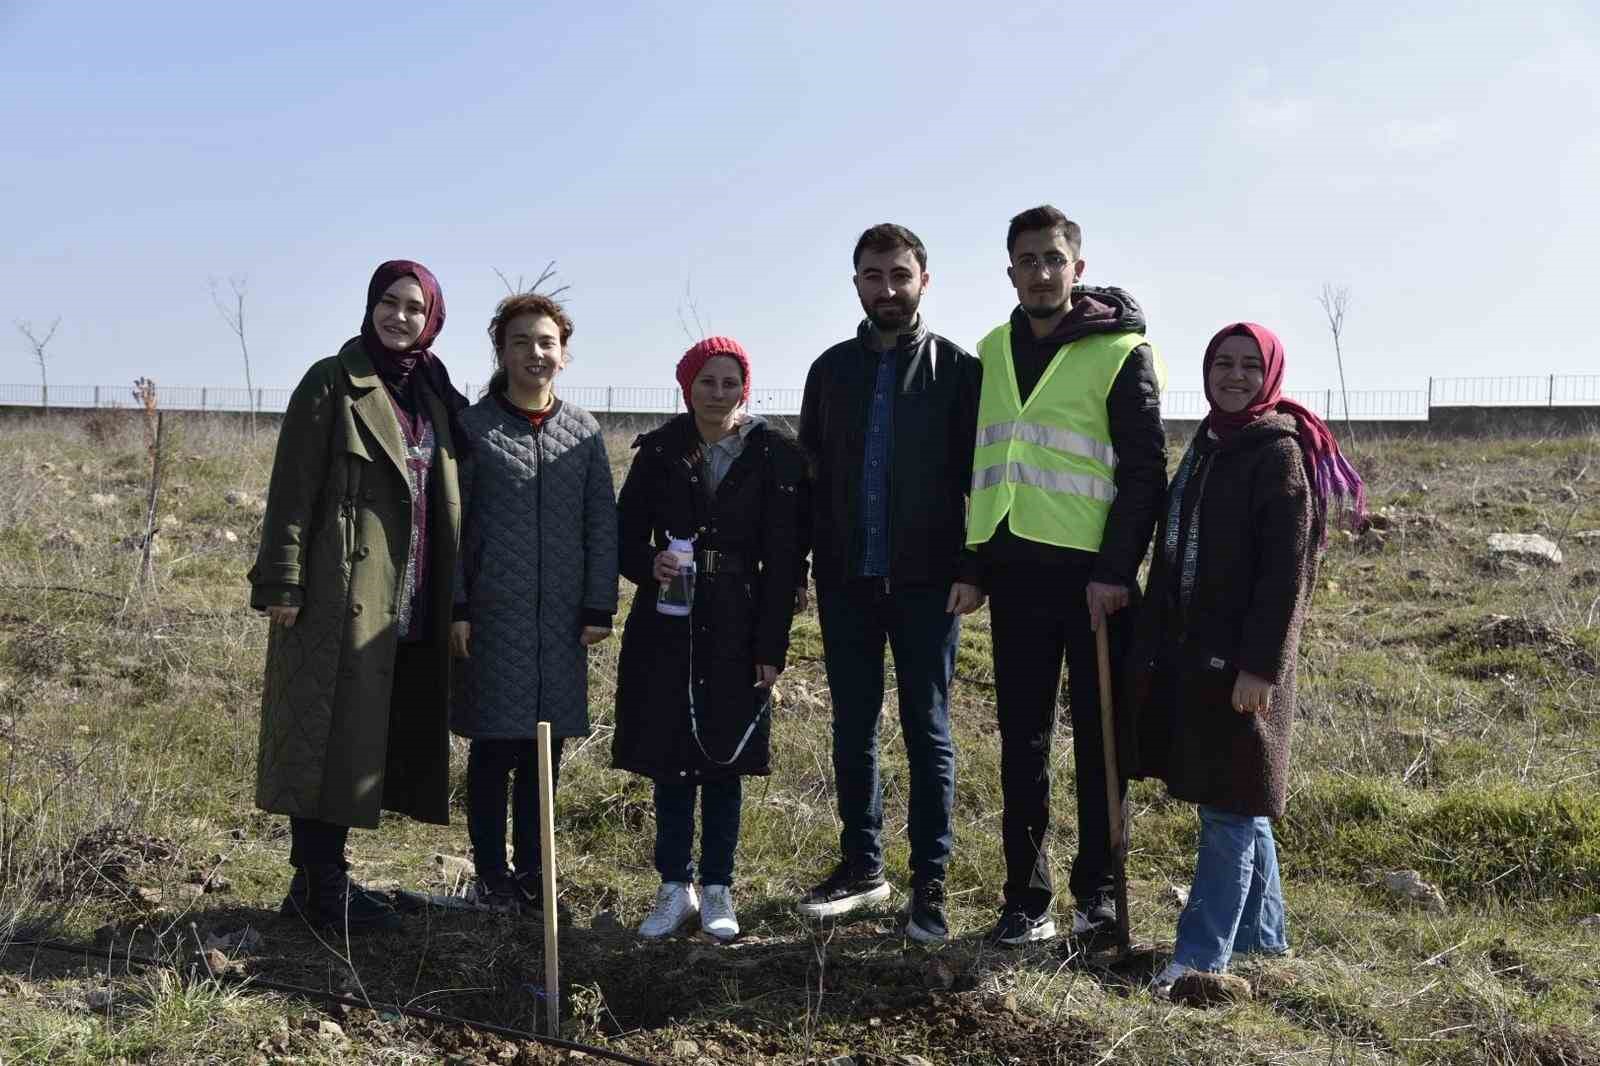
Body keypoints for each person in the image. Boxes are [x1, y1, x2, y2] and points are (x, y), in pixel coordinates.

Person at [1131, 323, 1361, 993]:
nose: (1233, 375)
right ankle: (1265, 941)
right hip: (1197, 656)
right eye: (1223, 363)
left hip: (1244, 664)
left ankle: (1202, 959)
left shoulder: (1276, 454)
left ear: (1271, 376)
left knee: (1230, 803)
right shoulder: (1208, 443)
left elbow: (1288, 575)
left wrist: (1261, 666)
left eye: (1248, 366)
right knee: (1239, 798)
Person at [966, 206, 1168, 946]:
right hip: (1015, 571)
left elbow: (1147, 472)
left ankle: (1100, 894)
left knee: (1097, 742)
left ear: (1077, 270)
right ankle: (1027, 897)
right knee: (1021, 741)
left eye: (1054, 259)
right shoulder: (991, 350)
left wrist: (1116, 571)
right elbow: (980, 465)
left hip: (1093, 583)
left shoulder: (1121, 351)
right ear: (1010, 270)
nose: (1041, 272)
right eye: (1027, 260)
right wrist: (974, 565)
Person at [250, 259, 465, 932]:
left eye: (414, 308)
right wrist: (282, 580)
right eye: (390, 302)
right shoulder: (332, 383)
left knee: (359, 737)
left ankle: (319, 882)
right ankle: (323, 886)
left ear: (432, 319)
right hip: (341, 587)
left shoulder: (435, 392)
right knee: (324, 728)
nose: (400, 317)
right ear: (371, 306)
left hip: (413, 592)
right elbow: (293, 488)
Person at [794, 223, 983, 944]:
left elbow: (980, 481)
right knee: (853, 728)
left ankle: (928, 884)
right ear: (857, 285)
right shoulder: (829, 371)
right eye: (874, 276)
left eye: (900, 276)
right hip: (847, 581)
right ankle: (861, 868)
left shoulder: (958, 372)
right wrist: (805, 571)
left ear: (923, 282)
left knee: (927, 730)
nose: (888, 290)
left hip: (928, 586)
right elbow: (811, 482)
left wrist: (972, 568)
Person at [613, 336, 806, 941]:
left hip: (739, 621)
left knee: (725, 759)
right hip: (667, 625)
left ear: (744, 387)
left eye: (729, 382)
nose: (718, 393)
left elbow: (785, 558)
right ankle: (676, 888)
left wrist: (771, 647)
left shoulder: (775, 453)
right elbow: (621, 539)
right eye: (706, 382)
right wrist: (650, 565)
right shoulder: (660, 450)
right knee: (670, 759)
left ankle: (719, 888)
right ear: (687, 386)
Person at [449, 293, 618, 913]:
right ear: (501, 351)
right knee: (494, 748)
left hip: (561, 627)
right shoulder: (472, 429)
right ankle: (491, 875)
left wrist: (599, 605)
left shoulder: (584, 431)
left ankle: (534, 873)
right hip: (492, 619)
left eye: (546, 342)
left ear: (564, 354)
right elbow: (454, 525)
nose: (535, 353)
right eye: (521, 342)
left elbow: (602, 520)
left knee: (545, 752)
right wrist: (457, 608)